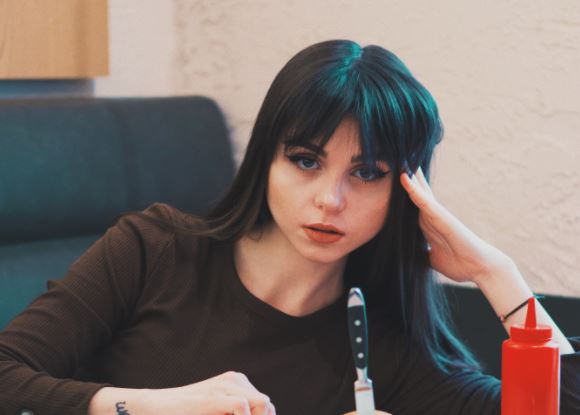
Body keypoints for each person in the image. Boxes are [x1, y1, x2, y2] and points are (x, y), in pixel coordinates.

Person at [0, 40, 579, 415]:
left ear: (404, 193)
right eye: (306, 160)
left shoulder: (387, 344)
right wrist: (155, 405)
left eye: (367, 173)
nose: (331, 199)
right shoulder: (155, 250)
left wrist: (494, 272)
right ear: (266, 160)